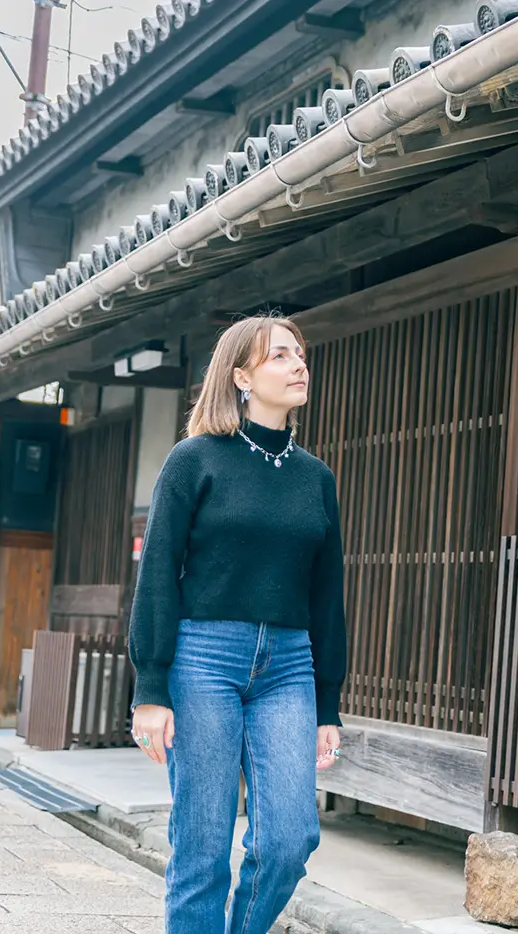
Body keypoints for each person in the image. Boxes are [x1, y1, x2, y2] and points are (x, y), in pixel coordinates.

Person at [126, 315, 347, 933]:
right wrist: (151, 687)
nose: (298, 364)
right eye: (280, 356)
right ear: (242, 376)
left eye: (300, 354)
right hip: (203, 659)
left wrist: (327, 704)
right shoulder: (195, 461)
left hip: (289, 666)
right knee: (202, 843)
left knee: (288, 839)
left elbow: (328, 594)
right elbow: (158, 573)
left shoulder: (316, 478)